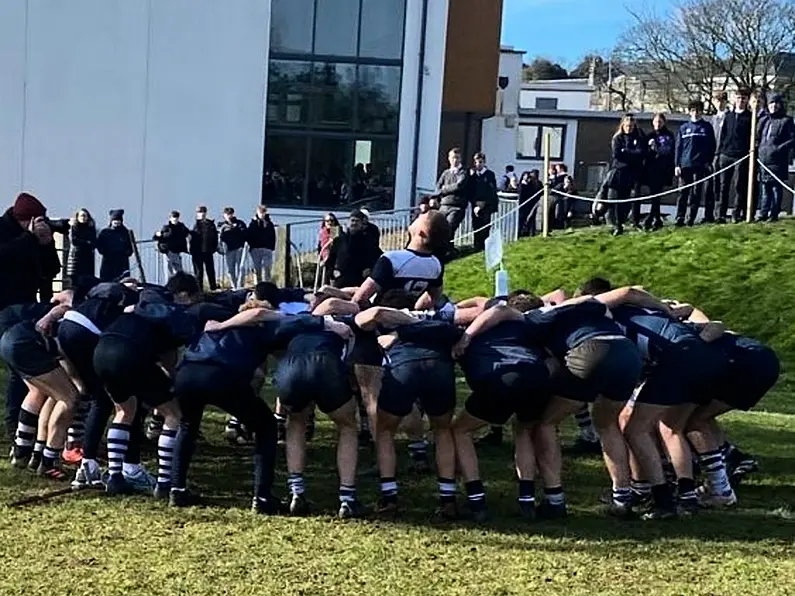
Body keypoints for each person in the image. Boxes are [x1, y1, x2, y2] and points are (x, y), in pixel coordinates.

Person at [355, 302, 463, 519]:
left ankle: (389, 498)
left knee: (385, 431)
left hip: (404, 366)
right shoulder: (440, 317)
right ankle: (448, 499)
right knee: (442, 430)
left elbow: (369, 316)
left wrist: (403, 326)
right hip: (439, 367)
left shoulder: (390, 318)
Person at [0, 192, 52, 438]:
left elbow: (52, 269)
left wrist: (47, 243)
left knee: (25, 365)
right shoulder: (4, 231)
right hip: (4, 306)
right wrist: (29, 238)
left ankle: (25, 420)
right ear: (25, 219)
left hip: (28, 304)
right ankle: (13, 422)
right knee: (16, 366)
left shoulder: (32, 237)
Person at [675, 100, 717, 227]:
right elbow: (678, 147)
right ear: (689, 112)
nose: (696, 113)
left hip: (700, 165)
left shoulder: (707, 127)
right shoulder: (683, 128)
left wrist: (708, 162)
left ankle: (690, 218)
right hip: (685, 165)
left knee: (695, 193)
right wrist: (677, 165)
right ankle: (679, 217)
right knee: (683, 193)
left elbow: (712, 146)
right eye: (693, 110)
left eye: (698, 110)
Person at [715, 88, 753, 223]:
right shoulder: (728, 116)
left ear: (747, 100)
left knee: (739, 186)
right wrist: (719, 153)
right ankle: (720, 214)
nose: (740, 100)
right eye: (738, 98)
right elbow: (723, 134)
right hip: (726, 155)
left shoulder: (750, 117)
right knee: (723, 185)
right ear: (734, 99)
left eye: (743, 98)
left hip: (741, 156)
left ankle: (736, 213)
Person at [757, 93, 795, 222]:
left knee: (775, 188)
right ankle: (763, 213)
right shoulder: (764, 120)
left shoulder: (786, 120)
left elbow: (792, 139)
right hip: (763, 159)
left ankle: (774, 213)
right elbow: (759, 137)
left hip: (777, 160)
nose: (773, 106)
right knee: (764, 188)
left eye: (775, 103)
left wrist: (778, 149)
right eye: (771, 103)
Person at [607, 114, 645, 236]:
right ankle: (618, 225)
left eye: (631, 126)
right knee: (618, 200)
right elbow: (617, 154)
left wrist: (627, 152)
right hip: (620, 172)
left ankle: (634, 221)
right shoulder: (617, 138)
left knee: (632, 198)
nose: (629, 128)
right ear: (623, 125)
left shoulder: (638, 137)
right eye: (627, 126)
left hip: (633, 172)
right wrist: (631, 154)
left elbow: (641, 153)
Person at [326, 210, 382, 289]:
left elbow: (375, 257)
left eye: (357, 221)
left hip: (359, 281)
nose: (354, 223)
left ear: (362, 224)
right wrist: (332, 272)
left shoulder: (368, 240)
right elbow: (331, 258)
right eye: (352, 220)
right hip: (341, 280)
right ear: (348, 222)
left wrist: (370, 269)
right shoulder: (340, 239)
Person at [643, 113, 676, 231]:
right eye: (656, 122)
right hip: (651, 169)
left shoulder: (668, 135)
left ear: (664, 123)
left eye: (660, 122)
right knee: (654, 195)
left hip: (663, 169)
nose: (658, 124)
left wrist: (657, 148)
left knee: (657, 194)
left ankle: (652, 218)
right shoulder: (649, 136)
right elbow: (645, 153)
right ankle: (656, 218)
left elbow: (669, 151)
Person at [435, 147, 470, 236]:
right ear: (449, 158)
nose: (455, 160)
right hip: (443, 206)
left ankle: (447, 249)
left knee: (449, 228)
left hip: (456, 207)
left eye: (457, 157)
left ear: (460, 159)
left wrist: (444, 189)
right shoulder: (446, 173)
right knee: (439, 229)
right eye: (453, 157)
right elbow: (438, 187)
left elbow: (458, 186)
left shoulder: (463, 172)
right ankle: (445, 249)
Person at [469, 152, 499, 251]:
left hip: (486, 205)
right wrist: (475, 202)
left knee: (485, 225)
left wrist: (484, 203)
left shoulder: (489, 175)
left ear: (484, 162)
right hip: (475, 204)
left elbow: (491, 190)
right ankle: (476, 246)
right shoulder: (473, 176)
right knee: (476, 225)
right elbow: (471, 191)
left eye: (480, 162)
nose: (478, 164)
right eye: (476, 162)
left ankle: (484, 246)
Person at [96, 210, 133, 281]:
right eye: (114, 220)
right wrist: (104, 252)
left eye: (118, 220)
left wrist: (127, 252)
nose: (116, 222)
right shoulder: (105, 232)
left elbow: (130, 246)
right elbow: (99, 245)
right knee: (106, 281)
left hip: (122, 262)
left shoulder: (125, 232)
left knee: (123, 281)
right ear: (111, 221)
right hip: (108, 261)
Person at [190, 206, 219, 291]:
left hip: (208, 251)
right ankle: (200, 290)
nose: (202, 214)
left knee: (210, 270)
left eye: (203, 212)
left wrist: (214, 247)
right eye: (200, 212)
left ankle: (213, 288)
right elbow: (191, 238)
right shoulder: (195, 224)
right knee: (199, 272)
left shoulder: (210, 223)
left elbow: (215, 236)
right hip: (197, 252)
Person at [154, 211, 190, 277]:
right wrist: (157, 234)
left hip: (177, 251)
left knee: (179, 271)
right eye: (173, 217)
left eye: (176, 217)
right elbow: (157, 237)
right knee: (169, 271)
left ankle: (179, 284)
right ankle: (170, 285)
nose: (175, 219)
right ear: (170, 218)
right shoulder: (166, 227)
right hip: (168, 251)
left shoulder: (181, 227)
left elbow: (188, 233)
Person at [218, 207, 247, 289]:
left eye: (230, 214)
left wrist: (235, 228)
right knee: (230, 269)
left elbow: (245, 233)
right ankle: (234, 286)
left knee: (240, 268)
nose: (229, 216)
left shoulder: (240, 223)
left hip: (239, 249)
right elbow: (220, 238)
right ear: (224, 215)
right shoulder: (222, 225)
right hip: (228, 250)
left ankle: (240, 286)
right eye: (227, 214)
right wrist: (220, 248)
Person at [247, 205, 276, 283]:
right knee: (257, 269)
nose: (262, 215)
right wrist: (252, 245)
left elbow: (273, 235)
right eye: (260, 213)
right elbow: (249, 234)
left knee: (267, 267)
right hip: (255, 248)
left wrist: (271, 247)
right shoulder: (253, 223)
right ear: (257, 213)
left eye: (263, 213)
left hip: (267, 248)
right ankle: (258, 285)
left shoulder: (269, 223)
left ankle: (267, 284)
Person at [67, 209, 97, 283]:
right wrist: (86, 242)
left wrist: (87, 243)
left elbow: (94, 241)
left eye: (85, 216)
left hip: (88, 256)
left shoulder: (90, 228)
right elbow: (74, 241)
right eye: (81, 216)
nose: (83, 218)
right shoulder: (73, 227)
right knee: (75, 280)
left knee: (87, 279)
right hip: (76, 256)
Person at [317, 213, 340, 286]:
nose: (329, 222)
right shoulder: (322, 232)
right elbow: (320, 247)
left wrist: (327, 258)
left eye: (331, 220)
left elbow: (334, 246)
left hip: (335, 260)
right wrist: (321, 259)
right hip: (325, 259)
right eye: (327, 221)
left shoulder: (336, 230)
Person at [518, 170, 543, 237]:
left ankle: (530, 233)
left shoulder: (534, 184)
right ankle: (520, 232)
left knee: (531, 218)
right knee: (522, 219)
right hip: (523, 204)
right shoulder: (521, 185)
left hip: (531, 203)